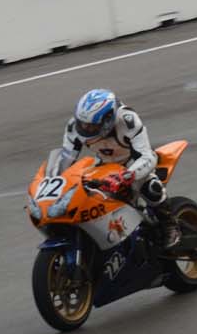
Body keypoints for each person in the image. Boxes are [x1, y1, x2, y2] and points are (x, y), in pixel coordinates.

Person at [60, 88, 180, 248]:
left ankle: (170, 225)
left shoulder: (127, 120)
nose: (85, 129)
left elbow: (147, 157)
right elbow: (66, 159)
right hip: (103, 164)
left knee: (151, 187)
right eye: (82, 124)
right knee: (83, 195)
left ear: (107, 120)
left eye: (90, 126)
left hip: (133, 164)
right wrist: (55, 181)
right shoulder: (75, 126)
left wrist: (126, 175)